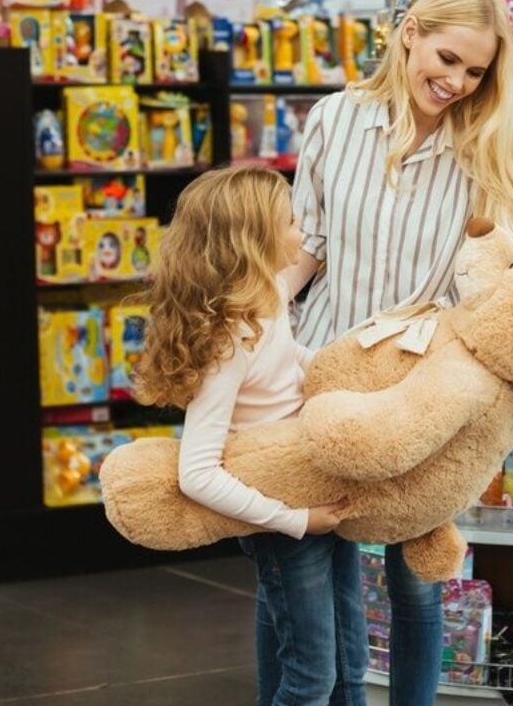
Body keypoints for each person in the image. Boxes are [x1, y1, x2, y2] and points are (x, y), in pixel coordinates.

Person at [284, 0, 513, 705]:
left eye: (475, 72)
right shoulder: (334, 120)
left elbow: (507, 278)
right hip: (323, 367)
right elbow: (306, 244)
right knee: (311, 570)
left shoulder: (488, 151)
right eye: (447, 58)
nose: (456, 82)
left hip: (428, 389)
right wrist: (251, 330)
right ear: (409, 31)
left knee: (416, 579)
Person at [133, 166, 366, 706]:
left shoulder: (268, 301)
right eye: (289, 220)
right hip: (285, 518)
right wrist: (294, 522)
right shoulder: (230, 338)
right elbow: (197, 473)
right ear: (254, 239)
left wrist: (334, 376)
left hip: (320, 495)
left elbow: (285, 365)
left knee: (350, 665)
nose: (301, 229)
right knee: (311, 675)